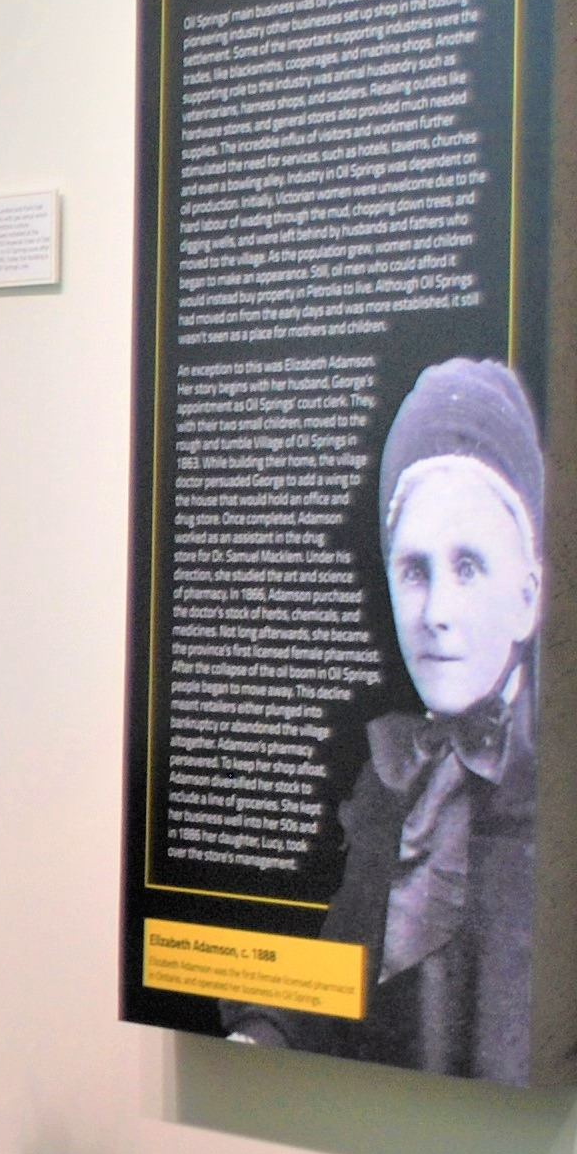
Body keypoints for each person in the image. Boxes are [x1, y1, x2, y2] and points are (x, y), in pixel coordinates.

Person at [224, 356, 545, 1080]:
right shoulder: (393, 776)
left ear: (526, 596)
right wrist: (262, 1035)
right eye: (415, 571)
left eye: (469, 569)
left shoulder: (555, 789)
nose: (437, 615)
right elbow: (342, 971)